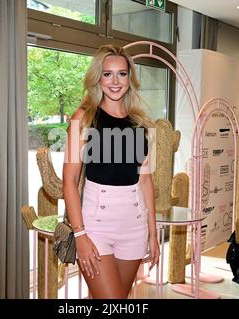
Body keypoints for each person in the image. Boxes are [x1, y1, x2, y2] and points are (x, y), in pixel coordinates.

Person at [63, 44, 160, 299]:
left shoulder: (141, 123)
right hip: (96, 226)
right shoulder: (83, 118)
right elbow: (69, 181)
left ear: (130, 78)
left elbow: (146, 181)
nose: (115, 81)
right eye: (107, 74)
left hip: (134, 226)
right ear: (98, 78)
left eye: (122, 74)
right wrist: (80, 235)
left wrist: (153, 232)